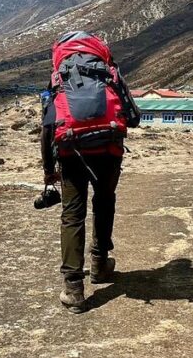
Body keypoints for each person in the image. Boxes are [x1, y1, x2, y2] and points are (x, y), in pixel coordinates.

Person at [41, 31, 140, 312]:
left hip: (71, 152)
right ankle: (99, 264)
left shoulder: (58, 77)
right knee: (105, 201)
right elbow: (133, 117)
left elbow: (48, 127)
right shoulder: (109, 73)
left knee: (73, 214)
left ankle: (73, 288)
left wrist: (49, 170)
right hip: (108, 149)